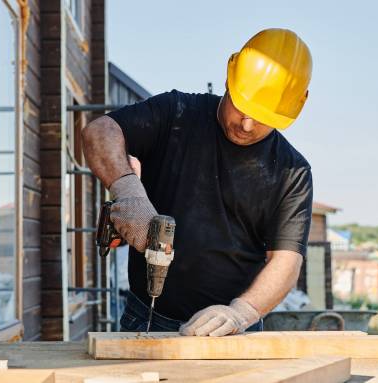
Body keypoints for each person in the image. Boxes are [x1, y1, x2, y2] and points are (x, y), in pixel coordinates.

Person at [82, 29, 314, 336]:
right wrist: (128, 191)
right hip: (148, 318)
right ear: (229, 81)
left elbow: (286, 263)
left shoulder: (292, 171)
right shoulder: (176, 114)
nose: (246, 124)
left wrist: (240, 313)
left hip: (232, 329)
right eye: (241, 107)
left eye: (262, 116)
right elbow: (100, 132)